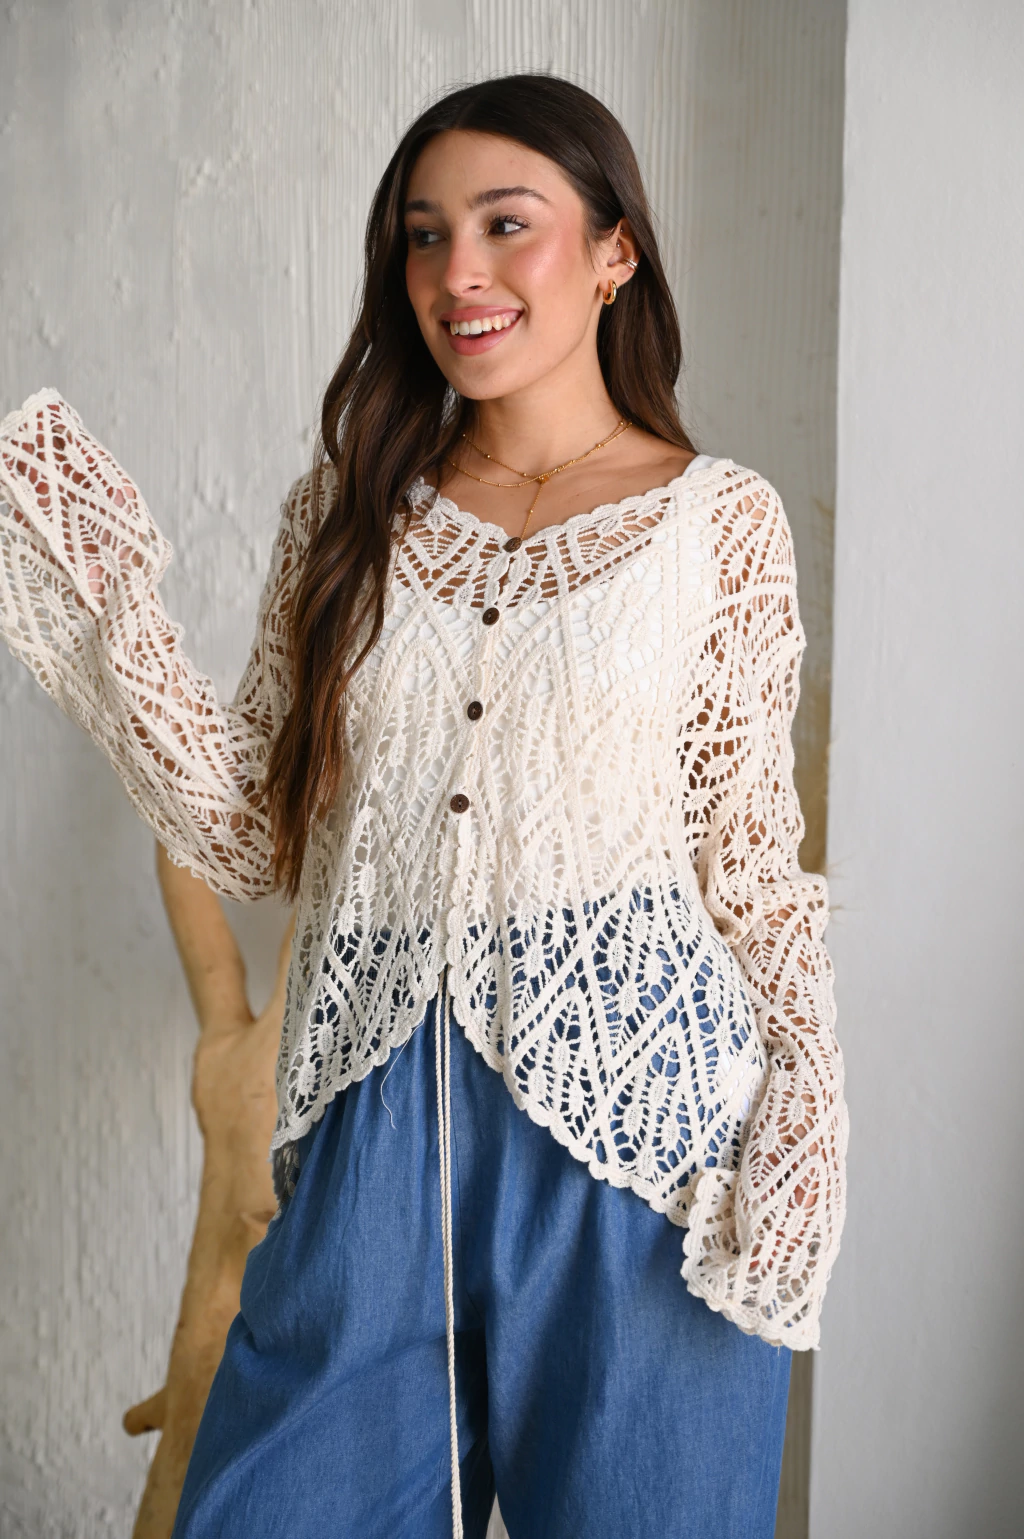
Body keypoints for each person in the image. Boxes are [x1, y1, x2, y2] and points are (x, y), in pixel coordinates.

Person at [0, 73, 848, 1539]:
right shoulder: (346, 515)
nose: (459, 271)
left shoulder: (721, 523)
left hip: (644, 1139)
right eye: (423, 234)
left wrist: (808, 1113)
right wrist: (107, 608)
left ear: (615, 251)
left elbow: (749, 862)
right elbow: (252, 829)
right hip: (369, 1120)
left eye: (507, 224)